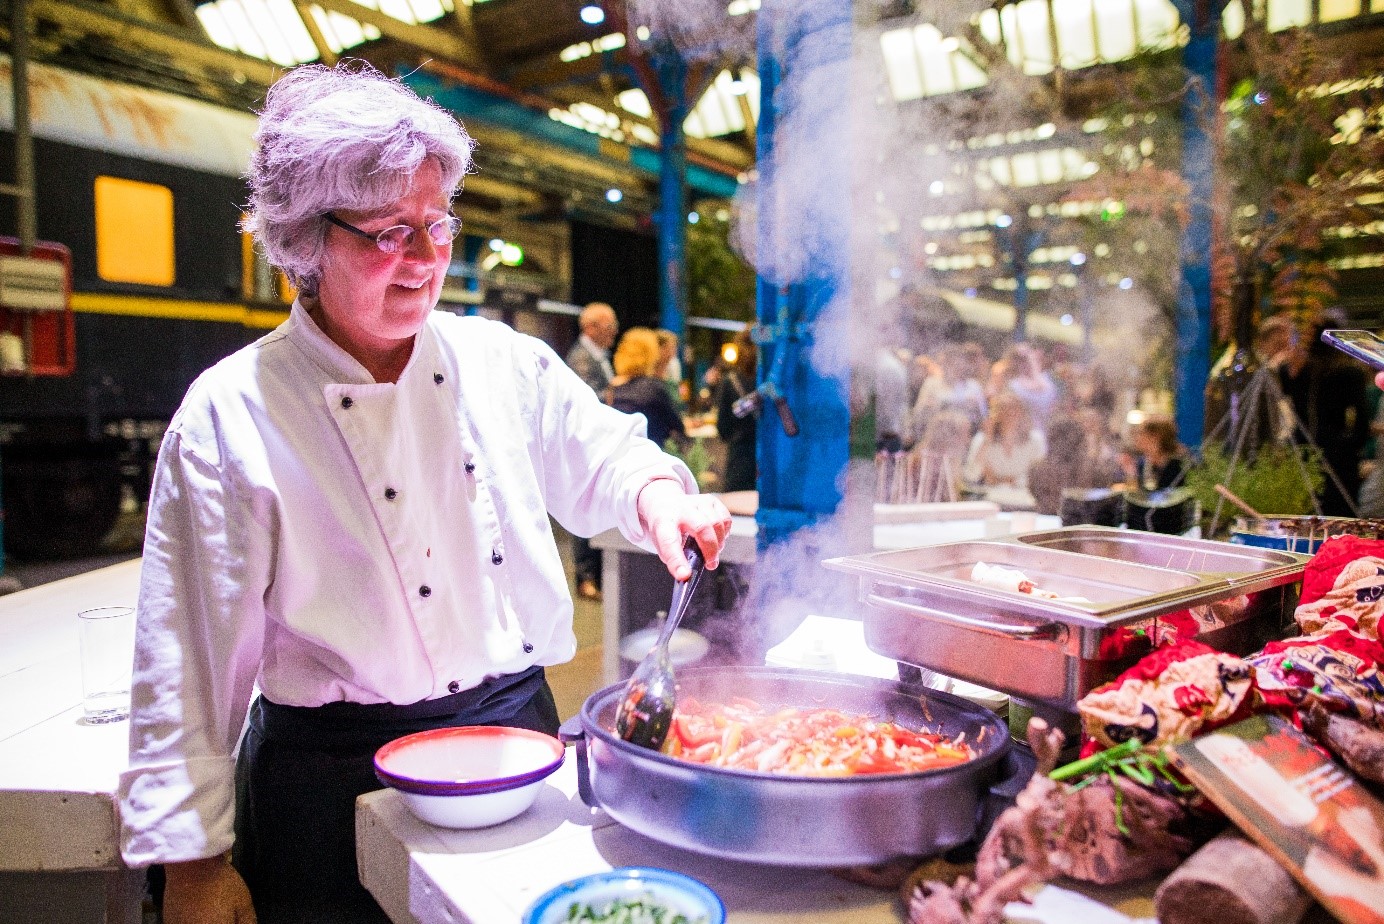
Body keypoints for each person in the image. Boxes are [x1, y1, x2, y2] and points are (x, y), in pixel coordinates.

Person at [116, 63, 731, 924]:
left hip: (515, 745)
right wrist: (194, 868)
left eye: (436, 225)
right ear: (303, 238)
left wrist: (662, 496)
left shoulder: (499, 361)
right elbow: (187, 663)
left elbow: (608, 461)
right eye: (387, 233)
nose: (425, 259)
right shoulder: (233, 413)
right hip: (329, 781)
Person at [564, 301, 619, 601]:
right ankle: (585, 579)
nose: (614, 331)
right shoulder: (581, 357)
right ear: (591, 327)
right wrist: (617, 391)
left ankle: (593, 576)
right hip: (584, 450)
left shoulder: (597, 355)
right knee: (583, 511)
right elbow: (586, 399)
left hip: (597, 446)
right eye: (608, 325)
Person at [609, 327, 686, 449]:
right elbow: (678, 425)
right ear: (651, 354)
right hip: (650, 456)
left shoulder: (610, 388)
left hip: (620, 457)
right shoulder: (653, 388)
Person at [963, 393, 1047, 502]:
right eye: (1003, 409)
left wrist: (1009, 481)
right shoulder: (981, 439)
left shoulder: (1035, 439)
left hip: (1025, 498)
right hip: (990, 498)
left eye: (1013, 409)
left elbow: (1039, 474)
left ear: (1022, 412)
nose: (1009, 413)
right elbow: (971, 475)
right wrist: (987, 441)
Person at [716, 328, 758, 493]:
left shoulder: (730, 382)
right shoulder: (775, 381)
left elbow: (723, 429)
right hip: (774, 459)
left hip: (741, 459)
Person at [1120, 415, 1187, 492]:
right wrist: (1131, 473)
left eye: (1141, 433)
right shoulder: (1143, 464)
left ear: (1155, 436)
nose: (1137, 438)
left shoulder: (1180, 464)